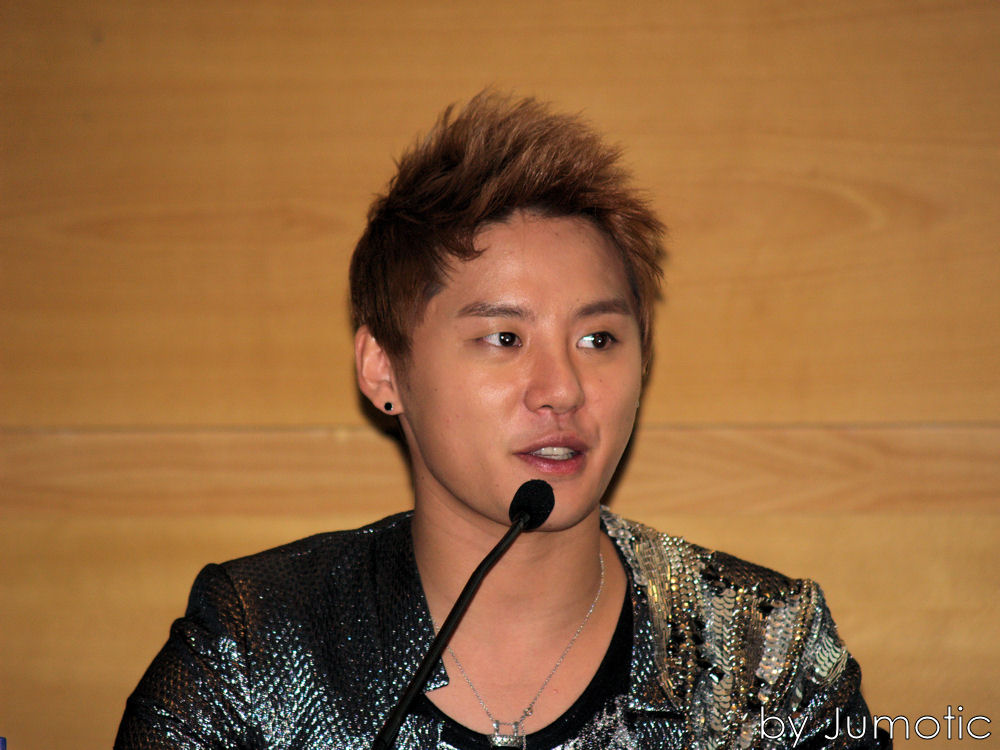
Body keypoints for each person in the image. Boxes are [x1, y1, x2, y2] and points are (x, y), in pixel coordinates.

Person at [116, 92, 884, 749]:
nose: (562, 390)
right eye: (504, 339)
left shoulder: (765, 652)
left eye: (598, 339)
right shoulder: (256, 647)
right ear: (383, 369)